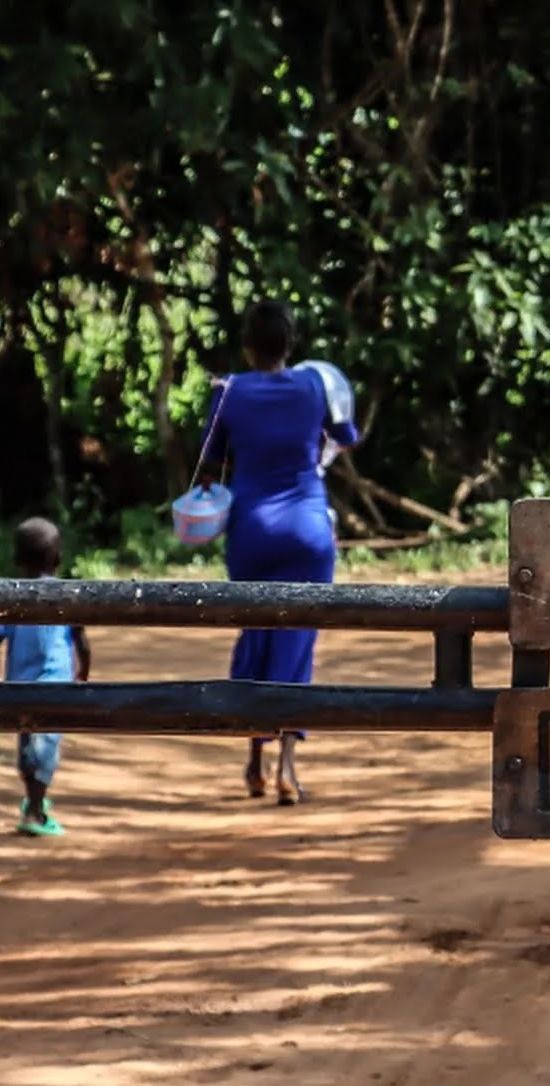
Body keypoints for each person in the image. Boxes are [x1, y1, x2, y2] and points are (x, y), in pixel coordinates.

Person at [196, 299, 360, 806]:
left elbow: (208, 467)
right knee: (298, 641)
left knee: (256, 633)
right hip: (308, 530)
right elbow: (346, 437)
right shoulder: (317, 384)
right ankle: (288, 765)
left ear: (248, 345)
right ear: (290, 344)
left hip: (251, 531)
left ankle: (252, 761)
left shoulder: (228, 392)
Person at [0, 518, 91, 837]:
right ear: (58, 558)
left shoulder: (10, 595)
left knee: (30, 744)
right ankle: (34, 811)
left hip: (19, 686)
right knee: (46, 747)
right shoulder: (68, 595)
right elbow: (82, 640)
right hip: (57, 685)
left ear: (17, 559)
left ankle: (34, 799)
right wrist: (83, 674)